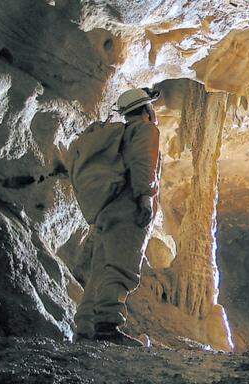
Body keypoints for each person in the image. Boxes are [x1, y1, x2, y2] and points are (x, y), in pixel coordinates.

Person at [72, 88, 161, 346]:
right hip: (127, 206)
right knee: (122, 265)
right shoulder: (145, 130)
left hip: (107, 211)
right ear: (147, 110)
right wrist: (145, 197)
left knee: (99, 270)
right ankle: (107, 326)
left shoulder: (120, 135)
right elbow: (143, 162)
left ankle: (86, 328)